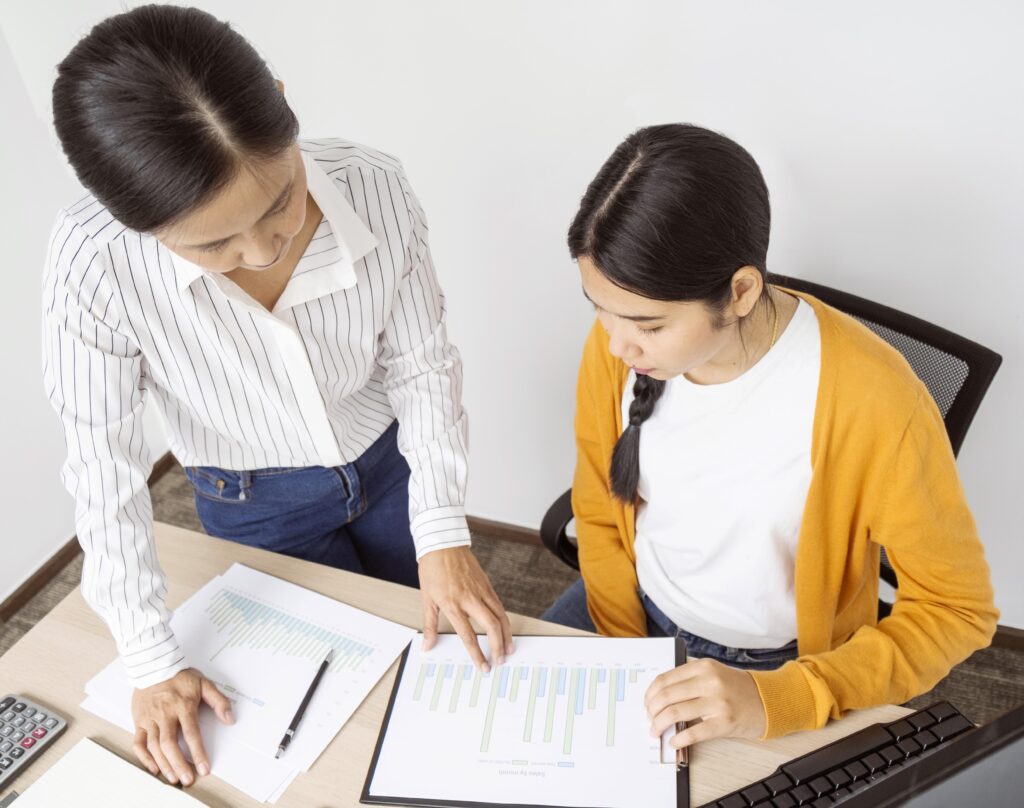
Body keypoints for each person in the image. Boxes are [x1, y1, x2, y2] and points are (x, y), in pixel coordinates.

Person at [44, 4, 511, 787]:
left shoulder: (375, 184)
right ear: (137, 224)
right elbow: (103, 471)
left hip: (393, 466)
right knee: (325, 722)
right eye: (212, 244)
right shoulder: (94, 263)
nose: (263, 248)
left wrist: (442, 532)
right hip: (255, 500)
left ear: (285, 109)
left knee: (439, 666)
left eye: (279, 202)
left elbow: (423, 368)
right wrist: (151, 663)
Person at [543, 123, 997, 750]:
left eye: (647, 325)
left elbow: (957, 611)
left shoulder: (873, 399)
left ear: (740, 291)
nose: (617, 345)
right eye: (600, 310)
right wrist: (626, 658)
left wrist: (782, 697)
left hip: (775, 667)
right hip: (629, 612)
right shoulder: (620, 346)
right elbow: (598, 502)